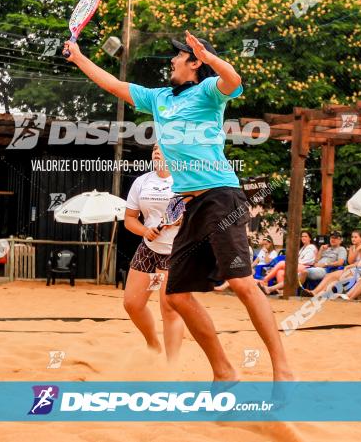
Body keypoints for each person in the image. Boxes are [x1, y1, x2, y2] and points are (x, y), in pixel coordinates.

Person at [63, 30, 294, 382]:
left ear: (195, 62)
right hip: (189, 206)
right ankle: (223, 371)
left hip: (221, 197)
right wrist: (78, 57)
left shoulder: (208, 91)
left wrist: (210, 57)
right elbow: (113, 84)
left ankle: (282, 368)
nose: (171, 59)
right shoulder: (160, 98)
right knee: (177, 294)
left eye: (178, 55)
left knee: (242, 283)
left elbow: (234, 80)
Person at [122, 144, 186, 362]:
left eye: (162, 148)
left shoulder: (185, 180)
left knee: (169, 309)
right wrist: (144, 231)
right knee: (131, 304)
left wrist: (181, 219)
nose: (156, 152)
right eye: (154, 149)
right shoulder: (142, 182)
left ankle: (172, 366)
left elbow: (198, 213)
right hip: (148, 248)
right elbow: (129, 219)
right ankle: (153, 343)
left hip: (175, 251)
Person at [305, 230, 361, 296]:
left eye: (356, 237)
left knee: (333, 277)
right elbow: (350, 261)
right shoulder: (352, 247)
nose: (353, 239)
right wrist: (356, 250)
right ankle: (315, 292)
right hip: (352, 269)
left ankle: (318, 293)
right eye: (352, 237)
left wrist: (348, 266)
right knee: (329, 276)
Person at [257, 230, 315, 295]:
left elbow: (307, 261)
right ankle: (284, 291)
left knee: (282, 263)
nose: (303, 238)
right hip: (298, 266)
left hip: (306, 267)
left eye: (305, 236)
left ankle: (264, 280)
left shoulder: (311, 247)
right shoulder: (302, 248)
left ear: (310, 238)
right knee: (280, 272)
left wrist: (293, 263)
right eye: (302, 236)